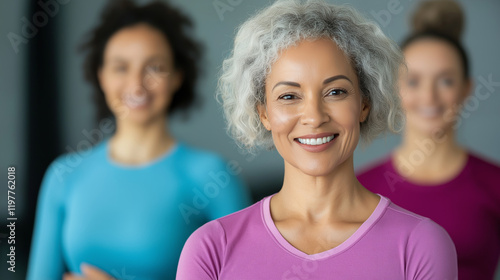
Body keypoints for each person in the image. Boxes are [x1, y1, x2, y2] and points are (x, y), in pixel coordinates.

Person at [176, 1, 458, 279]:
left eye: (335, 92)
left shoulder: (420, 244)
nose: (314, 116)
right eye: (289, 96)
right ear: (263, 112)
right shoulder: (212, 248)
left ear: (364, 103)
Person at [27, 1, 251, 279]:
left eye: (154, 67)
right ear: (102, 76)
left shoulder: (213, 177)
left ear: (177, 76)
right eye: (121, 67)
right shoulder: (63, 176)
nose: (136, 84)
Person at [357, 0, 500, 279]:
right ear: (396, 90)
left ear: (466, 89)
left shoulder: (494, 183)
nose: (429, 97)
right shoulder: (360, 188)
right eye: (414, 81)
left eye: (445, 81)